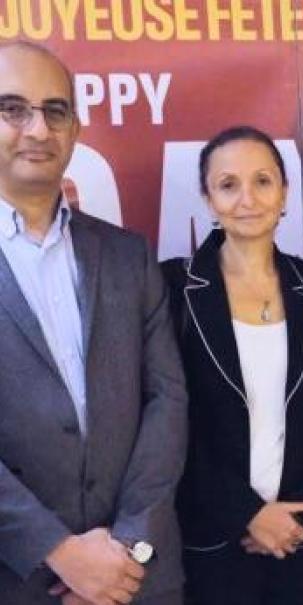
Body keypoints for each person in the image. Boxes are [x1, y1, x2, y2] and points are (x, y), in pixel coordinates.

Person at [0, 41, 188, 604]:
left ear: (76, 130)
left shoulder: (129, 255)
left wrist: (127, 552)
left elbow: (167, 400)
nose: (38, 129)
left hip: (138, 579)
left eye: (55, 110)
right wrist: (59, 551)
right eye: (13, 109)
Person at [160, 126, 303, 604]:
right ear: (208, 199)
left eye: (263, 181)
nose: (247, 198)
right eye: (228, 185)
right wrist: (246, 512)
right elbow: (165, 421)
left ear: (284, 191)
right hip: (213, 542)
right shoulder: (171, 289)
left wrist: (295, 515)